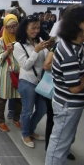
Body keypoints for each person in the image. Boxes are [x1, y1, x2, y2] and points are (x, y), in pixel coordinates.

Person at [43, 4, 84, 165]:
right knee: (59, 140)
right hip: (67, 103)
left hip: (71, 104)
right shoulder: (67, 51)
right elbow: (74, 87)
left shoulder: (76, 45)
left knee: (66, 139)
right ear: (79, 24)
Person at [14, 15, 49, 147]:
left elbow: (45, 61)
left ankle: (31, 130)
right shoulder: (18, 45)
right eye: (32, 28)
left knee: (42, 109)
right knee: (27, 110)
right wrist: (36, 50)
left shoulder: (39, 39)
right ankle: (25, 134)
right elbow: (26, 65)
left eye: (38, 27)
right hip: (27, 81)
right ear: (25, 29)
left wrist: (47, 49)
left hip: (41, 81)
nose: (36, 31)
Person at [0, 14, 22, 131]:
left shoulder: (22, 39)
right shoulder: (1, 40)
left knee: (19, 98)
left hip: (20, 72)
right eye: (8, 27)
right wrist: (7, 51)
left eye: (14, 26)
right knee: (2, 99)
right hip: (5, 73)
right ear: (4, 27)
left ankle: (16, 119)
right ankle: (0, 121)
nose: (12, 29)